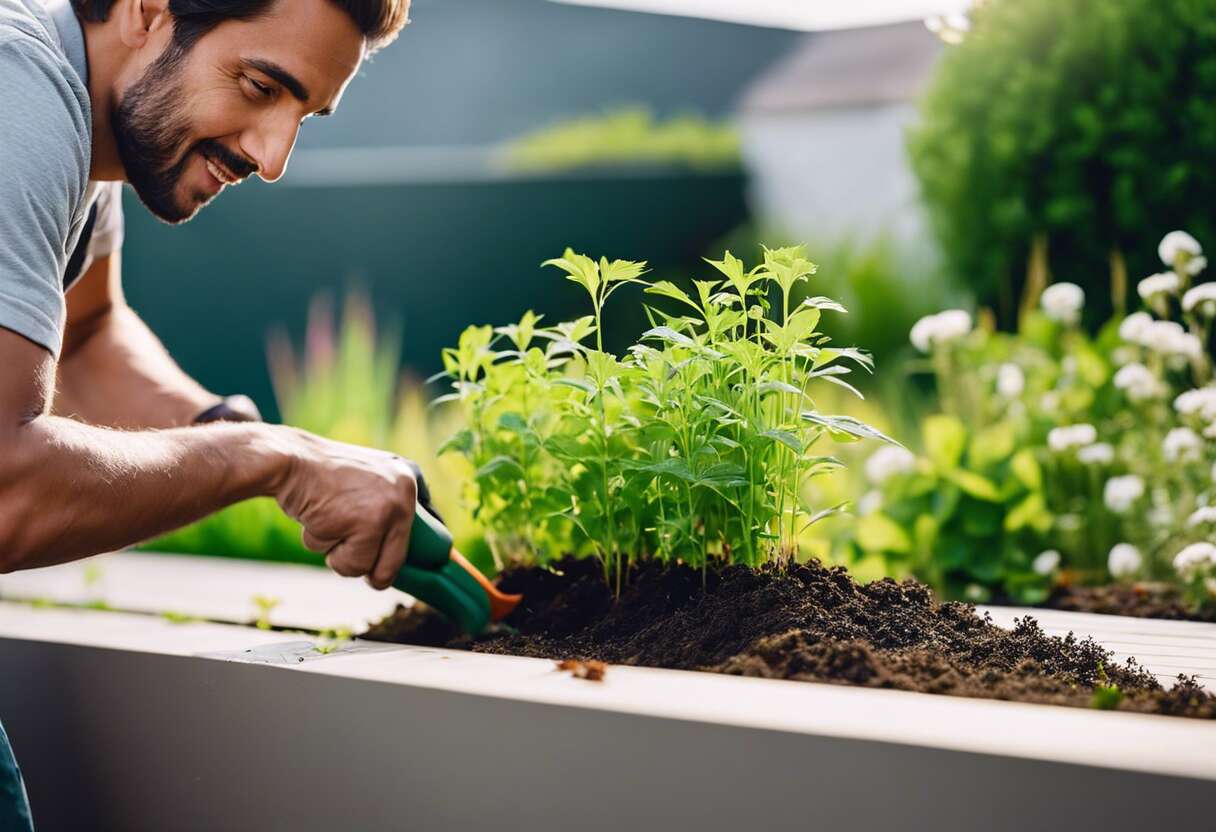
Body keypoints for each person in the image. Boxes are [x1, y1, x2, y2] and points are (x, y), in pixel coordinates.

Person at [0, 1, 420, 827]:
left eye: (302, 116)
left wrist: (236, 432)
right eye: (261, 86)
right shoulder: (19, 97)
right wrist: (273, 460)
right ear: (149, 10)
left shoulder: (83, 114)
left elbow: (87, 335)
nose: (272, 156)